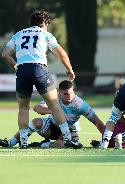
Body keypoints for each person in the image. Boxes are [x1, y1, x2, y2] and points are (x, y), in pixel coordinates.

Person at [1, 10, 79, 148]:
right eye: (47, 24)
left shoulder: (18, 34)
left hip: (23, 71)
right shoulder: (46, 34)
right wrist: (69, 69)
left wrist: (16, 67)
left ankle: (23, 142)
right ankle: (68, 139)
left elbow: (5, 54)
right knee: (54, 105)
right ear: (44, 23)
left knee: (23, 108)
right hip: (39, 69)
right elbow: (62, 54)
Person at [0, 80, 105, 148]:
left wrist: (106, 139)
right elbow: (37, 108)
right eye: (66, 94)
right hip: (52, 126)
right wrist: (55, 111)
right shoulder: (54, 98)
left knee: (61, 145)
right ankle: (11, 142)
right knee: (35, 122)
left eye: (71, 93)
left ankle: (41, 145)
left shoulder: (80, 104)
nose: (69, 96)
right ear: (59, 92)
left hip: (69, 130)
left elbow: (97, 122)